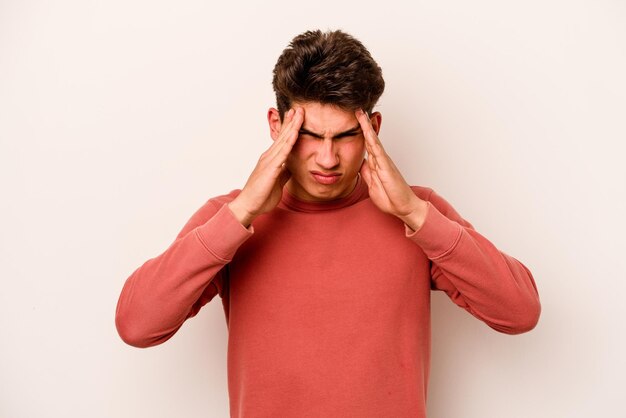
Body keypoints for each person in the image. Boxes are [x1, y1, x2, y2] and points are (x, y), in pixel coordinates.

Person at [115, 29, 541, 417]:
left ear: (372, 128)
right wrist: (242, 212)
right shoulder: (231, 218)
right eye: (309, 136)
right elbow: (137, 325)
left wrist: (414, 213)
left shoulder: (416, 211)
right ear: (276, 126)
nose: (327, 159)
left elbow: (519, 312)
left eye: (345, 136)